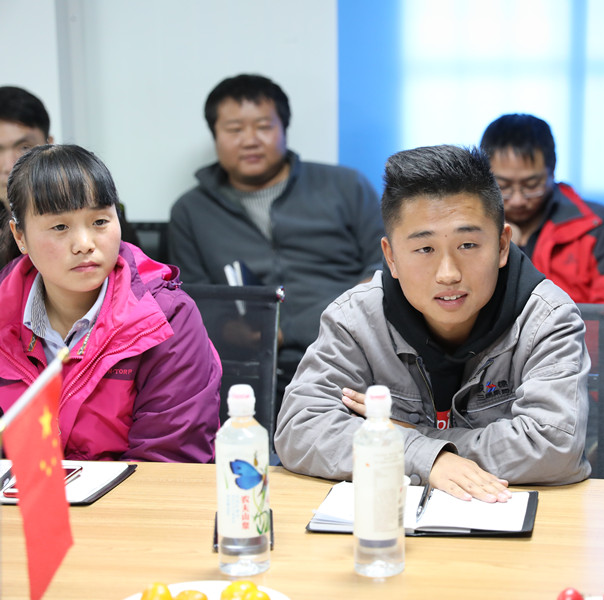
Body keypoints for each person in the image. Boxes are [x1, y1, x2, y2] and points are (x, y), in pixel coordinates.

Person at [275, 145, 591, 498]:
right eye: (424, 249)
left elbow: (554, 447)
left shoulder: (547, 318)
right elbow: (299, 429)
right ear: (391, 257)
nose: (448, 274)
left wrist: (409, 437)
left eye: (468, 245)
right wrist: (424, 457)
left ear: (502, 245)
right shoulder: (356, 318)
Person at [0, 144, 221, 462]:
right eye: (60, 227)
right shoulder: (5, 316)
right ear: (20, 236)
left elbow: (168, 459)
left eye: (100, 222)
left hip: (133, 493)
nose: (84, 244)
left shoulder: (168, 318)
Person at [169, 74, 384, 395]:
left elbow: (385, 268)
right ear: (215, 135)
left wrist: (290, 330)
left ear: (284, 129)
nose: (250, 140)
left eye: (263, 126)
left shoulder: (346, 186)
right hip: (249, 369)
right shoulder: (191, 211)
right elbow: (193, 302)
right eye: (234, 129)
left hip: (351, 351)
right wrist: (234, 331)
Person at [479, 114, 604, 402]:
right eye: (502, 186)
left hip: (586, 381)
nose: (517, 199)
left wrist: (544, 361)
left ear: (552, 172)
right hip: (493, 384)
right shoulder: (472, 230)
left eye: (532, 184)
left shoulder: (598, 226)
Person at [0, 85, 138, 265]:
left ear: (49, 144)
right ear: (19, 236)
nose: (9, 166)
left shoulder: (97, 208)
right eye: (60, 226)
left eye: (24, 147)